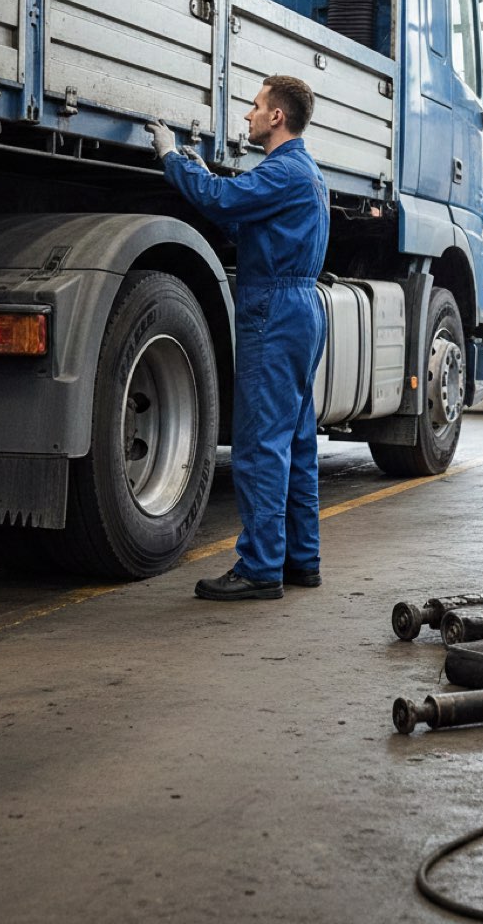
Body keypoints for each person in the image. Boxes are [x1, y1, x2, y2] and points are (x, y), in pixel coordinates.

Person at [144, 75, 329, 600]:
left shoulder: (284, 169)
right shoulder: (302, 172)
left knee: (260, 444)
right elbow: (247, 223)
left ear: (277, 117)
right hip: (296, 306)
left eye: (255, 106)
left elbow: (225, 201)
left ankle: (260, 569)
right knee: (294, 440)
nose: (247, 115)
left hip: (273, 306)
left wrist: (174, 160)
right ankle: (299, 559)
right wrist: (206, 179)